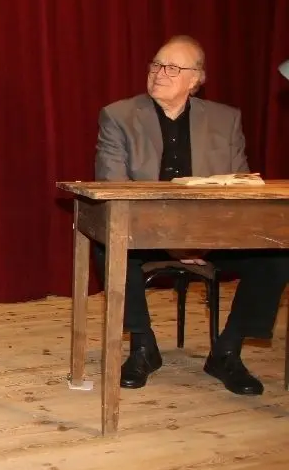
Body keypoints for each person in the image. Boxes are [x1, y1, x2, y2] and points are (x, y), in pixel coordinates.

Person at [94, 35, 289, 395]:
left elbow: (239, 188)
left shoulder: (225, 119)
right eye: (155, 64)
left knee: (277, 255)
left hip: (211, 232)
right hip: (144, 232)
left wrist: (206, 237)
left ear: (195, 79)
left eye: (172, 68)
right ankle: (142, 346)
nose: (159, 73)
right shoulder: (118, 116)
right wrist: (173, 245)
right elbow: (115, 190)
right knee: (107, 247)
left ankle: (226, 351)